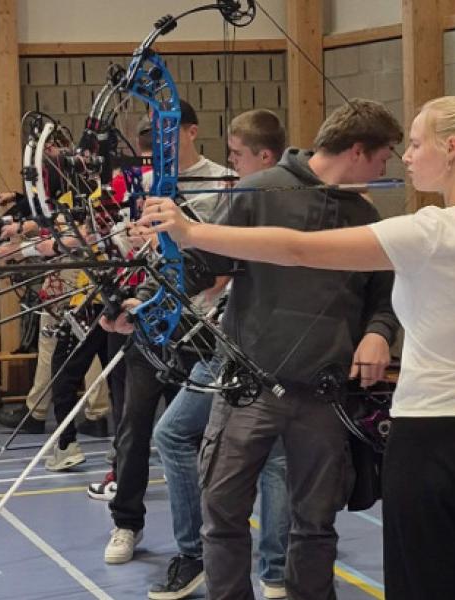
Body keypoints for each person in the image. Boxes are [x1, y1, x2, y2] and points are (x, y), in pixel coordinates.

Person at [141, 96, 455, 599]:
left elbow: (294, 250)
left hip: (431, 441)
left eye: (417, 144)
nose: (406, 157)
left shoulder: (428, 232)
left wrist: (190, 230)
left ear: (452, 148)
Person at [136, 98, 403, 599]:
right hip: (249, 387)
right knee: (223, 513)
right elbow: (209, 266)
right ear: (359, 150)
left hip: (323, 393)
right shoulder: (259, 191)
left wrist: (378, 332)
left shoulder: (362, 212)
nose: (387, 166)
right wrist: (164, 246)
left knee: (316, 524)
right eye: (384, 155)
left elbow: (382, 300)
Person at [146, 108, 292, 600]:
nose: (229, 162)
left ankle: (273, 572)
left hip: (267, 349)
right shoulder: (243, 196)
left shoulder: (274, 201)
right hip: (229, 342)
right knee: (174, 435)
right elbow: (205, 267)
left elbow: (216, 268)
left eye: (237, 155)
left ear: (265, 156)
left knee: (272, 458)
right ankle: (198, 556)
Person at [96, 100, 235, 566]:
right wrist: (128, 240)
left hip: (204, 325)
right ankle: (125, 523)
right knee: (134, 425)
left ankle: (203, 539)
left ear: (191, 131)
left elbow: (227, 255)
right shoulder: (148, 182)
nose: (160, 147)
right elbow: (122, 241)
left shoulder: (221, 181)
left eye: (168, 134)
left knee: (192, 435)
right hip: (155, 319)